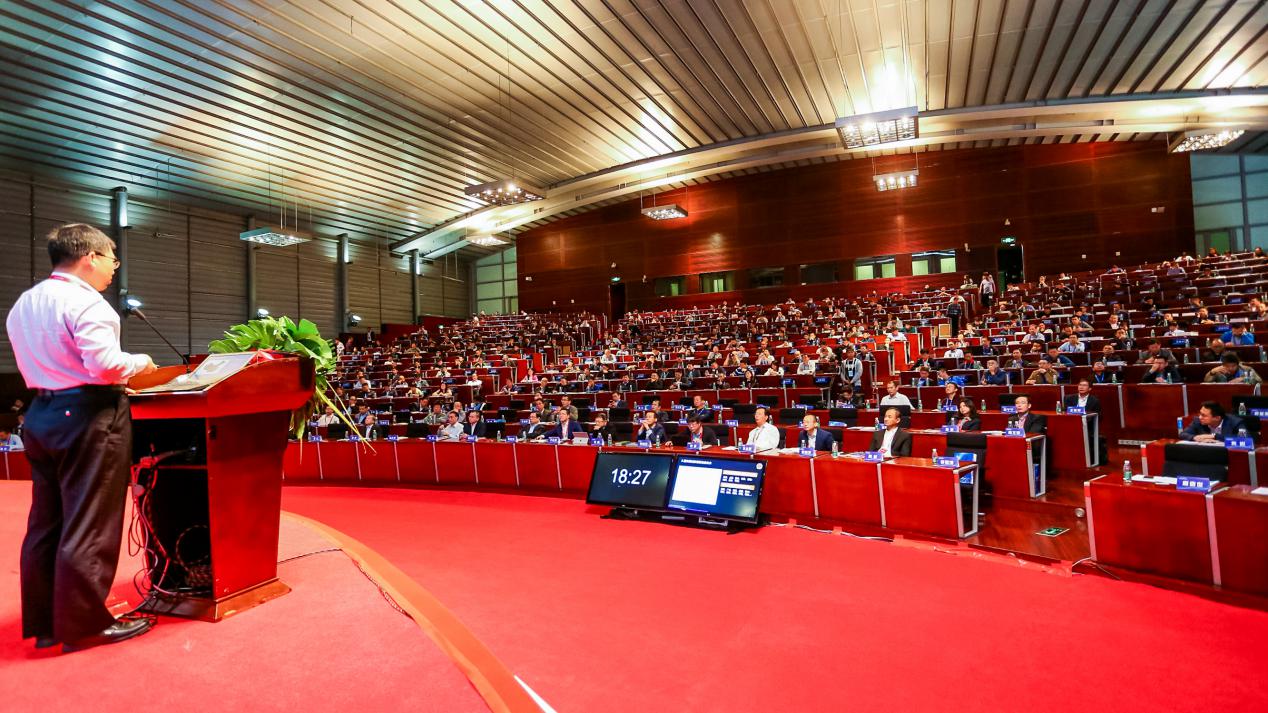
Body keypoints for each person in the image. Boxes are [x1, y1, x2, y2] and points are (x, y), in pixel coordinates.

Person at [6, 223, 159, 651]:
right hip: (88, 415)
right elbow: (106, 367)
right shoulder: (87, 303)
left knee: (47, 522)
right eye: (112, 258)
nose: (114, 267)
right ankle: (84, 625)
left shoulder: (25, 302)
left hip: (42, 413)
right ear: (90, 257)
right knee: (90, 520)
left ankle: (47, 624)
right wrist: (141, 362)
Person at [1180, 401, 1244, 443]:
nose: (1200, 417)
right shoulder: (1197, 421)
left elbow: (1244, 439)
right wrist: (1195, 438)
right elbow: (1183, 434)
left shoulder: (1235, 422)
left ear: (1217, 418)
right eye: (1200, 414)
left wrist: (1214, 436)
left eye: (1204, 415)